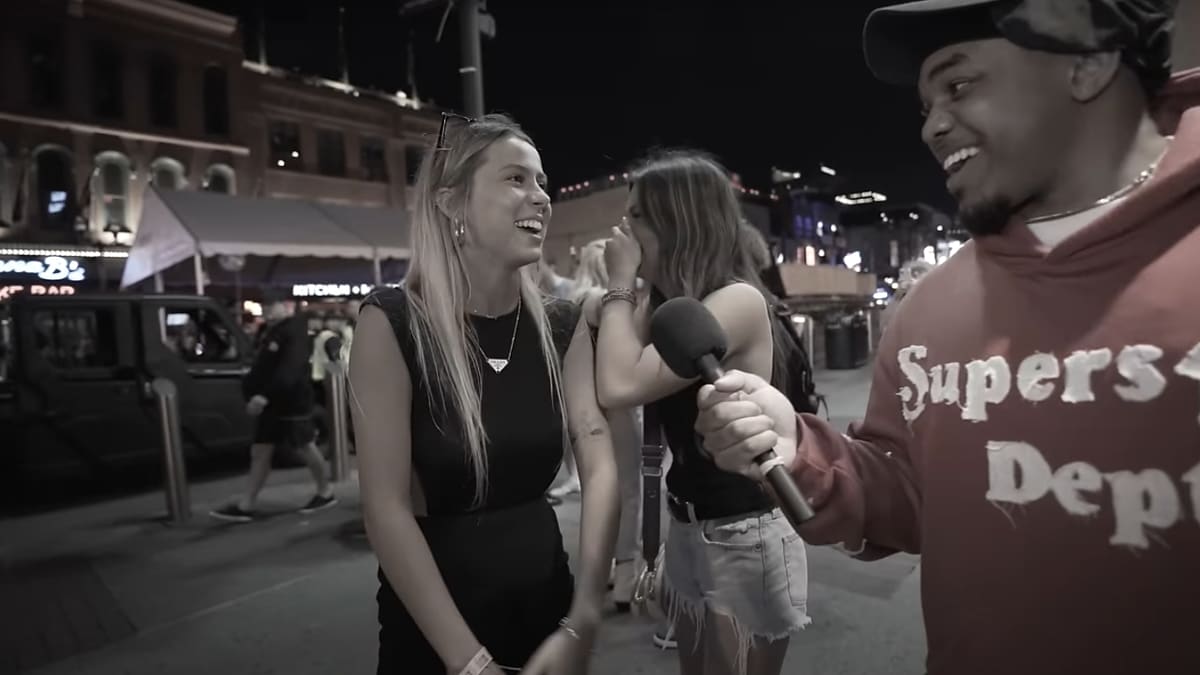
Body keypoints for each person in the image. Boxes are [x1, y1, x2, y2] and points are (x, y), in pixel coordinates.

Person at [694, 2, 1200, 674]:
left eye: (960, 85)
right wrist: (801, 446)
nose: (932, 125)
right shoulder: (927, 308)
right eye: (925, 102)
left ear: (1088, 62)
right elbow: (908, 493)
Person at [348, 113, 619, 675]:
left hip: (549, 614)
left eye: (542, 182)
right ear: (452, 204)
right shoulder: (393, 322)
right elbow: (385, 509)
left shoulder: (560, 326)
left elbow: (599, 463)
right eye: (517, 179)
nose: (541, 197)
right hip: (436, 633)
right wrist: (469, 663)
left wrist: (585, 614)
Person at [595, 150, 811, 675]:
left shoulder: (735, 300)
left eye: (639, 215)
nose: (624, 227)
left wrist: (621, 283)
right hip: (689, 523)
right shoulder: (668, 305)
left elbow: (618, 384)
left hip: (744, 529)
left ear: (679, 221)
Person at [571, 238, 678, 649]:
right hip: (613, 409)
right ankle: (625, 575)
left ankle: (608, 575)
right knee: (629, 491)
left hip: (585, 409)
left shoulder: (577, 298)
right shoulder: (605, 301)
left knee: (603, 491)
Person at [210, 299, 337, 522]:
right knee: (261, 451)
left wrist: (263, 395)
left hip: (290, 401)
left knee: (305, 445)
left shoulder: (294, 331)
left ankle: (325, 491)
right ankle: (247, 504)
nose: (267, 309)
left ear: (288, 306)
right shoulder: (273, 330)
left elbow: (289, 369)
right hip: (273, 402)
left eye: (273, 304)